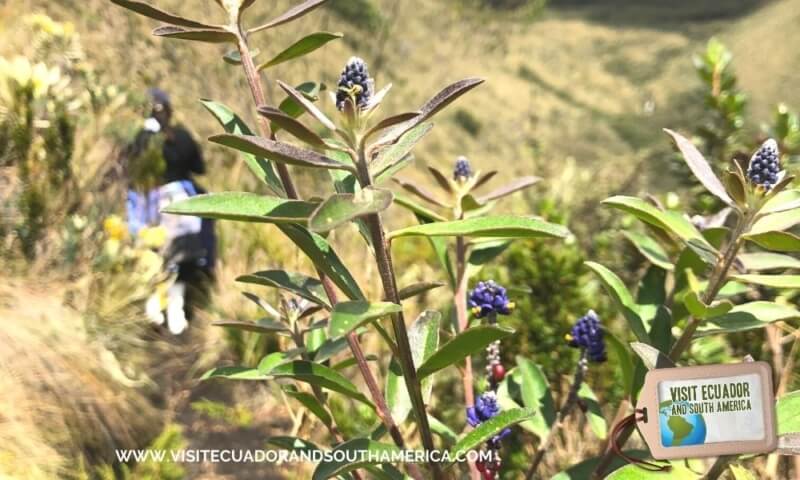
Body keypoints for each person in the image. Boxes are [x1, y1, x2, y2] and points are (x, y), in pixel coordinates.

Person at [125, 88, 216, 335]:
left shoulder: (138, 140)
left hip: (146, 205)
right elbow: (199, 167)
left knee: (154, 257)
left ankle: (153, 307)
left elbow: (127, 170)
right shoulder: (182, 137)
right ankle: (175, 311)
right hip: (180, 204)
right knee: (182, 259)